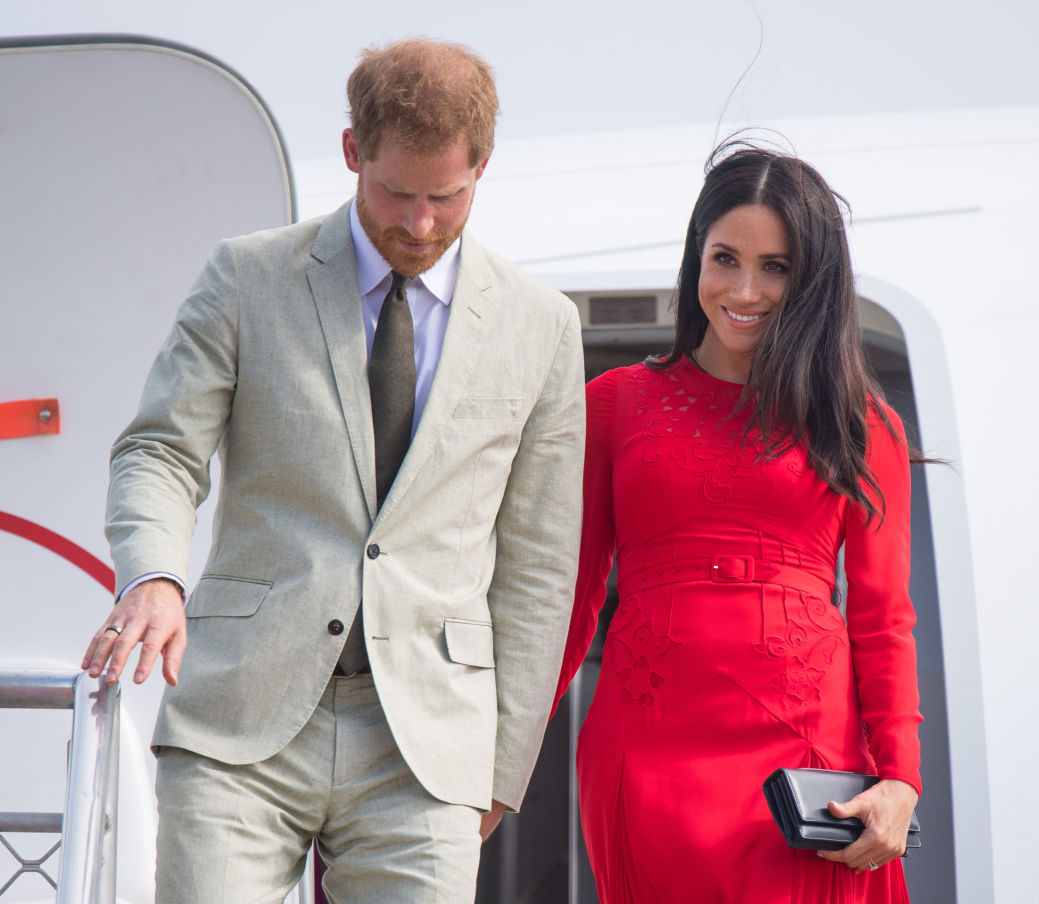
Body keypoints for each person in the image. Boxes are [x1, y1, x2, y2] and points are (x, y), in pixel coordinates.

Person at [80, 38, 585, 903]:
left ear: (483, 169)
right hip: (239, 721)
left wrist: (500, 765)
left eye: (446, 197)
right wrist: (155, 576)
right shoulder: (247, 276)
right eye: (396, 193)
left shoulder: (542, 327)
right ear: (352, 152)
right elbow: (160, 449)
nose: (420, 224)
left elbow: (539, 559)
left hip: (426, 748)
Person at [553, 143, 922, 903]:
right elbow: (567, 602)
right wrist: (497, 767)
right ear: (696, 260)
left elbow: (885, 621)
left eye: (776, 268)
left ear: (811, 281)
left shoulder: (860, 424)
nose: (744, 289)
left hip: (804, 768)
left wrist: (902, 781)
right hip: (648, 755)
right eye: (725, 258)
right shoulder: (614, 405)